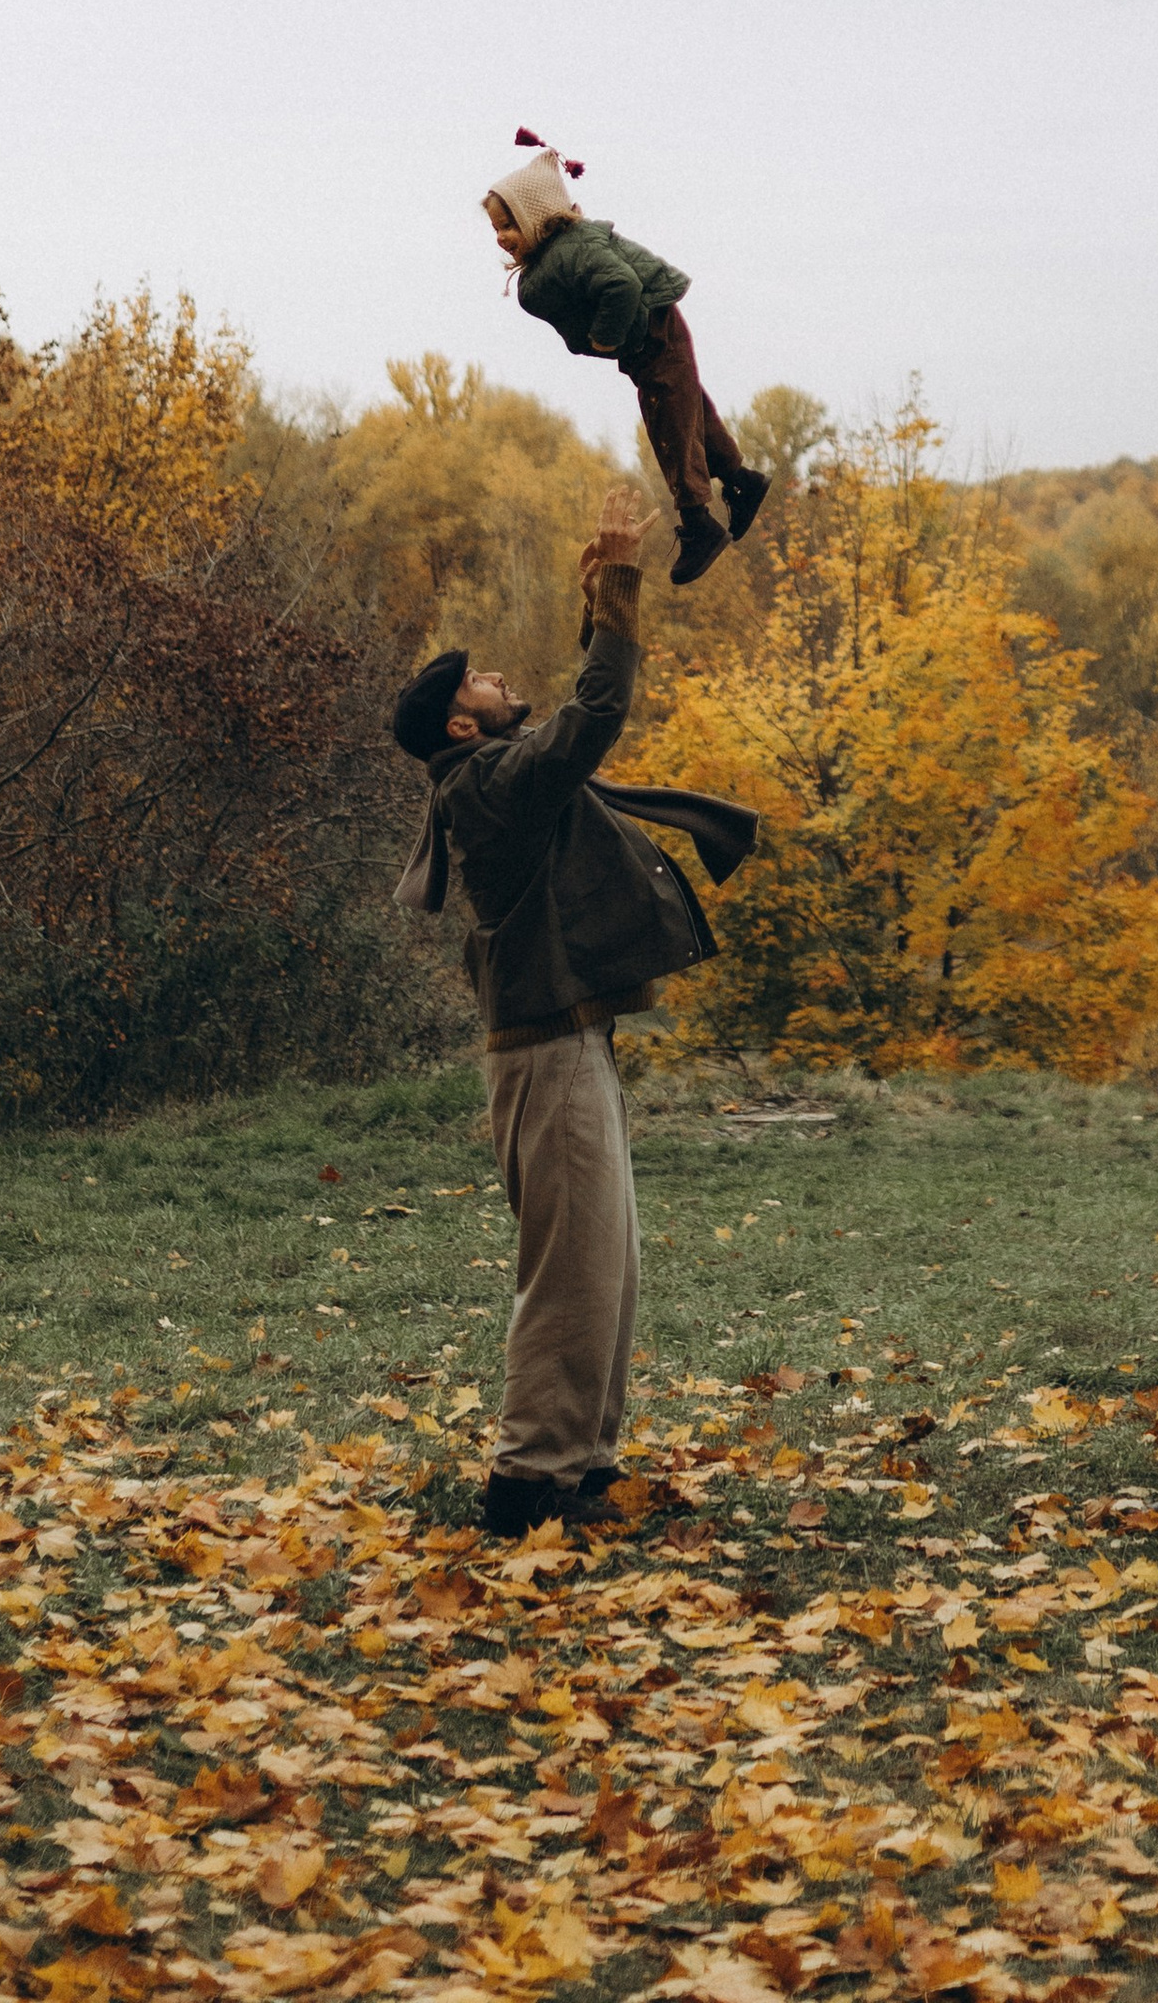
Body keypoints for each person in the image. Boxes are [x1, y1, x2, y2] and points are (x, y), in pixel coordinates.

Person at [393, 480, 760, 1534]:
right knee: (569, 1275)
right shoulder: (486, 786)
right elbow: (591, 716)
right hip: (544, 1055)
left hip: (567, 1043)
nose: (507, 680)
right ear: (463, 720)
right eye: (485, 679)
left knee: (607, 1270)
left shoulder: (495, 773)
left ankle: (582, 1467)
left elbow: (564, 721)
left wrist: (603, 586)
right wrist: (620, 591)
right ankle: (524, 1482)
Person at [484, 134, 770, 585]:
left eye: (509, 226)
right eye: (496, 229)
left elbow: (622, 286)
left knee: (670, 423)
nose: (501, 238)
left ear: (536, 219)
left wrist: (604, 338)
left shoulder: (575, 251)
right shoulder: (558, 256)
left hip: (654, 331)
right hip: (650, 336)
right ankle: (741, 480)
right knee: (688, 408)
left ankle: (699, 523)